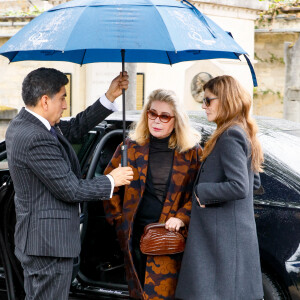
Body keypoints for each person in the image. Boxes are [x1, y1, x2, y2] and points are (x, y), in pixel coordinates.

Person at [5, 67, 134, 300]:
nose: (65, 105)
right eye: (62, 97)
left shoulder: (26, 124)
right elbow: (71, 189)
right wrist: (112, 180)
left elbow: (75, 128)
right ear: (45, 100)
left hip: (41, 242)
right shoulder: (36, 137)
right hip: (48, 246)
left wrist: (110, 96)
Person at [103, 89, 202, 300]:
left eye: (164, 116)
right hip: (136, 237)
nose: (157, 120)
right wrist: (119, 221)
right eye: (152, 113)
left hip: (171, 238)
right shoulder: (129, 148)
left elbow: (201, 193)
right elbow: (108, 186)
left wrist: (182, 218)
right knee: (139, 293)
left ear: (176, 120)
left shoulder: (192, 152)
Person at [176, 75, 264, 300]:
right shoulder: (242, 131)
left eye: (208, 100)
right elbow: (254, 183)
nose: (204, 106)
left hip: (221, 241)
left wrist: (201, 192)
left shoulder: (230, 135)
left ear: (225, 100)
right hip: (228, 236)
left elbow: (240, 186)